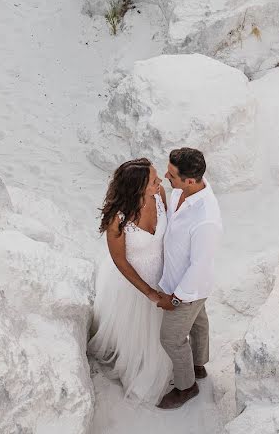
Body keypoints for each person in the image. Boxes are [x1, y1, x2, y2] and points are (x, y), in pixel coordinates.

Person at [88, 158, 175, 404]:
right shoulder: (118, 218)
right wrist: (149, 292)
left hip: (161, 274)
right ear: (137, 187)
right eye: (153, 180)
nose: (159, 182)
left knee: (161, 332)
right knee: (136, 334)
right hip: (133, 283)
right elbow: (120, 261)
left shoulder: (159, 195)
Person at [156, 147, 222, 410]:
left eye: (172, 174)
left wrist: (176, 298)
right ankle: (198, 366)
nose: (165, 176)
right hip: (184, 280)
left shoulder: (207, 219)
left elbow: (200, 265)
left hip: (187, 288)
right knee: (199, 323)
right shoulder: (182, 190)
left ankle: (186, 386)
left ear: (190, 181)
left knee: (171, 338)